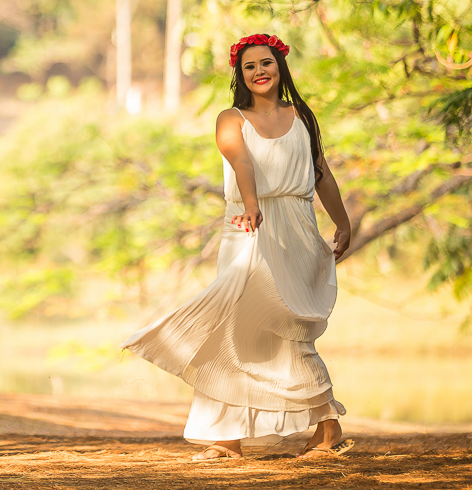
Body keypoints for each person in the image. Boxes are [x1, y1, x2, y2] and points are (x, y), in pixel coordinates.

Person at [122, 33, 353, 460]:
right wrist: (250, 203)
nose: (259, 72)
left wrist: (343, 222)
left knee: (289, 324)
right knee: (235, 326)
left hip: (297, 228)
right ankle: (228, 437)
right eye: (249, 66)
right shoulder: (232, 118)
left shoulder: (302, 115)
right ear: (240, 74)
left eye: (266, 63)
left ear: (280, 66)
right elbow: (240, 160)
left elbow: (321, 171)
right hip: (248, 225)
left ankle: (326, 428)